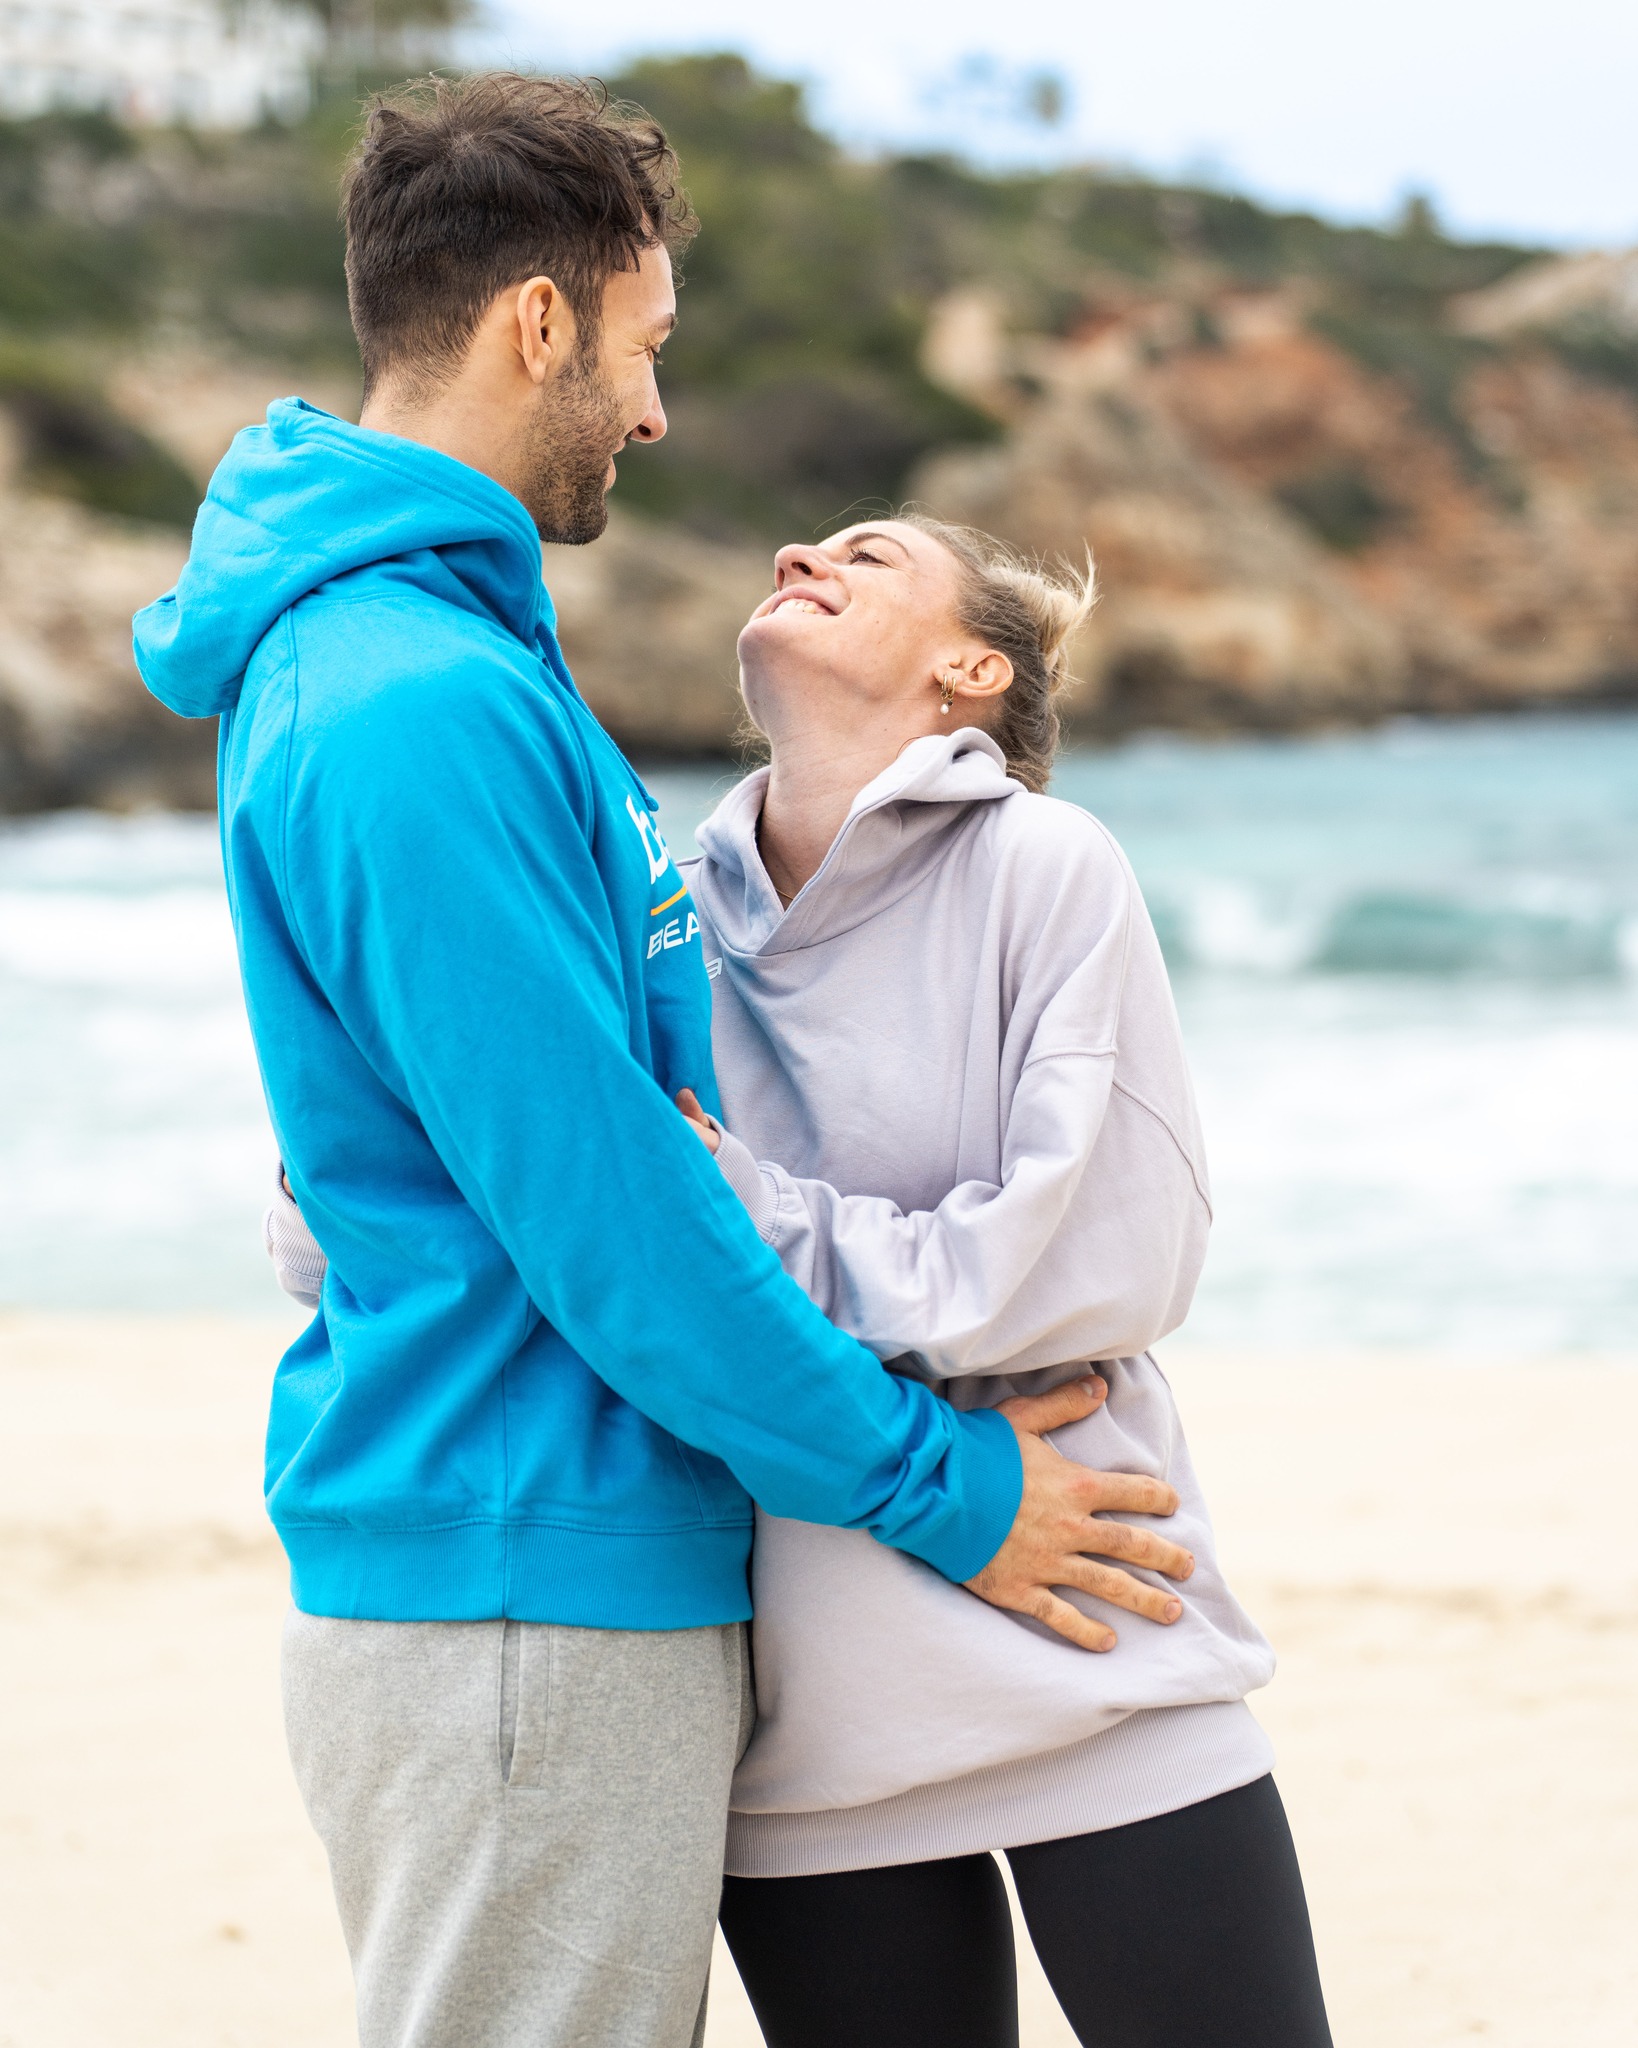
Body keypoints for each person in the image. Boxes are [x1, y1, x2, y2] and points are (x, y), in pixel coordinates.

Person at [133, 73, 1189, 2048]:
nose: (656, 411)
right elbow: (606, 1202)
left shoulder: (453, 661)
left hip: (560, 1573)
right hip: (518, 1581)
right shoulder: (406, 698)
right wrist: (942, 1484)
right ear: (540, 323)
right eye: (645, 345)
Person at [269, 513, 1335, 2046]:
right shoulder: (641, 911)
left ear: (973, 669)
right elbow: (386, 1239)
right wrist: (391, 1090)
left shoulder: (1044, 868)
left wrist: (727, 1224)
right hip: (791, 1697)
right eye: (803, 550)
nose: (794, 554)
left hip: (1087, 1608)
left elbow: (1099, 1256)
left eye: (871, 557)